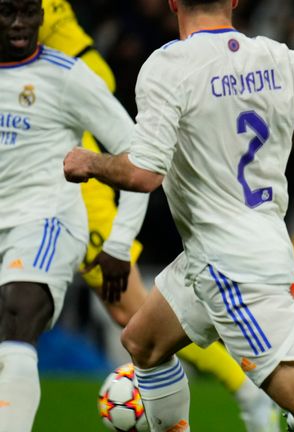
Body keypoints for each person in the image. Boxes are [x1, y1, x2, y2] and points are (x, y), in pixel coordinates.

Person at [62, 1, 294, 431]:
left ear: (174, 2)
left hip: (230, 269)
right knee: (144, 342)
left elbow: (143, 173)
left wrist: (90, 162)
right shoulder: (281, 59)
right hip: (237, 249)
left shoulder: (167, 66)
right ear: (234, 0)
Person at [37, 1, 280, 429]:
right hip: (43, 142)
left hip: (71, 138)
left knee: (132, 314)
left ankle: (245, 387)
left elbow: (99, 85)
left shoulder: (39, 23)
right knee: (132, 320)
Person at [0, 0, 148, 430]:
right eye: (8, 12)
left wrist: (120, 242)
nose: (20, 24)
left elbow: (138, 154)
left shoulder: (66, 76)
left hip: (46, 219)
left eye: (30, 12)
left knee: (17, 310)